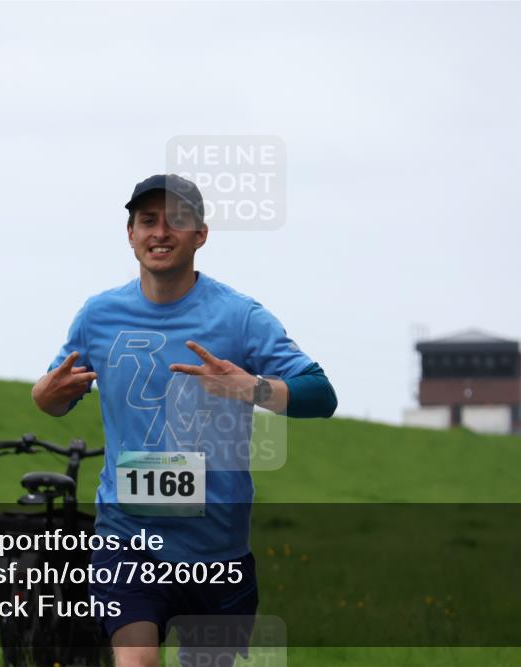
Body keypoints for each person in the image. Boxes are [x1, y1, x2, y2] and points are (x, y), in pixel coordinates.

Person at [31, 174, 338, 667]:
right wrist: (42, 395)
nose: (160, 232)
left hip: (218, 550)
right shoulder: (98, 315)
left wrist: (251, 388)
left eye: (177, 221)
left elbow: (321, 394)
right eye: (147, 221)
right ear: (130, 234)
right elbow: (57, 393)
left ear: (202, 234)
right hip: (127, 541)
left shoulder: (239, 317)